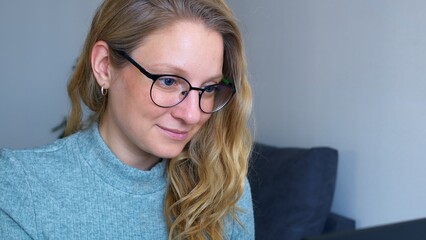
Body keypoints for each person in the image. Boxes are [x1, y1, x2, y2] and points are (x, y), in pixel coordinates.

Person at [0, 0, 254, 239]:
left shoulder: (224, 186)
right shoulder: (20, 187)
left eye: (209, 88)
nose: (192, 115)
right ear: (103, 66)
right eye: (168, 81)